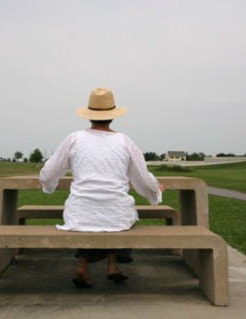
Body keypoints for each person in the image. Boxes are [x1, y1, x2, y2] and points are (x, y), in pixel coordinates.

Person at [39, 87, 165, 288]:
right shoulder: (125, 142)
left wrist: (49, 186)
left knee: (90, 216)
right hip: (116, 216)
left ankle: (85, 266)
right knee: (117, 215)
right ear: (113, 115)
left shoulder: (74, 139)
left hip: (79, 215)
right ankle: (112, 266)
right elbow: (143, 178)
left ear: (89, 115)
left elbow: (48, 173)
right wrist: (156, 191)